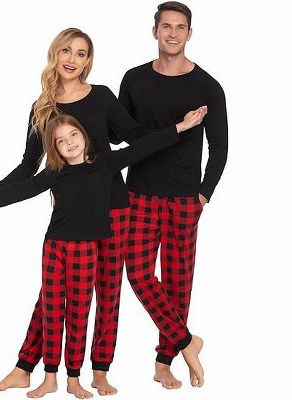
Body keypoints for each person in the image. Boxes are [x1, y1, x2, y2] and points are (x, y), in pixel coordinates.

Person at [0, 27, 203, 397]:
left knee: (108, 293)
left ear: (88, 61)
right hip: (71, 215)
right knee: (52, 296)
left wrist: (178, 128)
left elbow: (135, 140)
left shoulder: (101, 96)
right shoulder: (42, 107)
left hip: (114, 208)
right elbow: (28, 168)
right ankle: (24, 368)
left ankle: (99, 371)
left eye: (82, 53)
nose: (72, 59)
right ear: (55, 54)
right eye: (67, 51)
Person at [116, 1, 228, 389]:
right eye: (166, 26)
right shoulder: (134, 79)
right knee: (139, 274)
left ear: (189, 34)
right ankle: (187, 341)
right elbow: (121, 135)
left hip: (184, 199)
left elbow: (220, 147)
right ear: (155, 32)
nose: (173, 33)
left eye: (180, 27)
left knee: (178, 283)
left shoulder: (208, 86)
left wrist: (204, 195)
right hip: (139, 193)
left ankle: (164, 362)